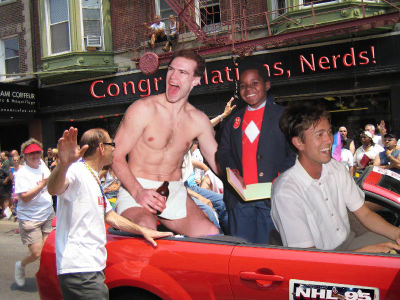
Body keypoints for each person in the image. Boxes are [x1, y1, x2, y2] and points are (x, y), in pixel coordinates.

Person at [47, 127, 173, 300]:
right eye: (111, 144)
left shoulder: (93, 176)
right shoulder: (76, 171)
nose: (114, 149)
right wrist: (63, 165)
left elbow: (111, 216)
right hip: (80, 270)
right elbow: (54, 189)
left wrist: (143, 230)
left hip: (91, 268)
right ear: (101, 147)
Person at [113, 49, 220, 237]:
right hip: (136, 187)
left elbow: (219, 163)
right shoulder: (143, 109)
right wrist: (138, 192)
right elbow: (115, 154)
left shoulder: (199, 120)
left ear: (196, 80)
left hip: (174, 189)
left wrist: (248, 178)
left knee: (211, 233)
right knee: (146, 227)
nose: (173, 76)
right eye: (171, 69)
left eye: (182, 72)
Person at [271, 102, 400, 253]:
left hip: (349, 242)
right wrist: (366, 253)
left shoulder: (337, 168)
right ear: (299, 142)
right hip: (321, 262)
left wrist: (396, 233)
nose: (329, 140)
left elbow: (363, 213)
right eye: (319, 134)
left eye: (329, 132)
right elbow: (307, 260)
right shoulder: (286, 192)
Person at [217, 62, 296, 244]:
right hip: (240, 202)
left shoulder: (284, 115)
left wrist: (280, 178)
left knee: (271, 252)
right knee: (244, 253)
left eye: (255, 83)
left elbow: (294, 152)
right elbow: (224, 151)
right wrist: (234, 173)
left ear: (267, 85)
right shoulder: (233, 119)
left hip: (273, 200)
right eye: (243, 86)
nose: (249, 89)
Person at [14, 139, 55, 287]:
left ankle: (47, 279)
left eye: (37, 152)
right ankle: (20, 265)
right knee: (37, 253)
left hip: (48, 213)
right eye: (31, 153)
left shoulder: (43, 166)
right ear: (25, 155)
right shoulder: (22, 173)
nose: (35, 155)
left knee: (48, 252)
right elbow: (24, 198)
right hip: (30, 218)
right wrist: (43, 184)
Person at [0, 151, 13, 218]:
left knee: (5, 198)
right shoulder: (3, 163)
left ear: (6, 156)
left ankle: (7, 213)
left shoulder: (7, 163)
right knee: (2, 198)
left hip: (5, 184)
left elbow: (9, 173)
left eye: (2, 155)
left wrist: (6, 180)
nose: (1, 157)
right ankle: (4, 211)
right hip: (2, 184)